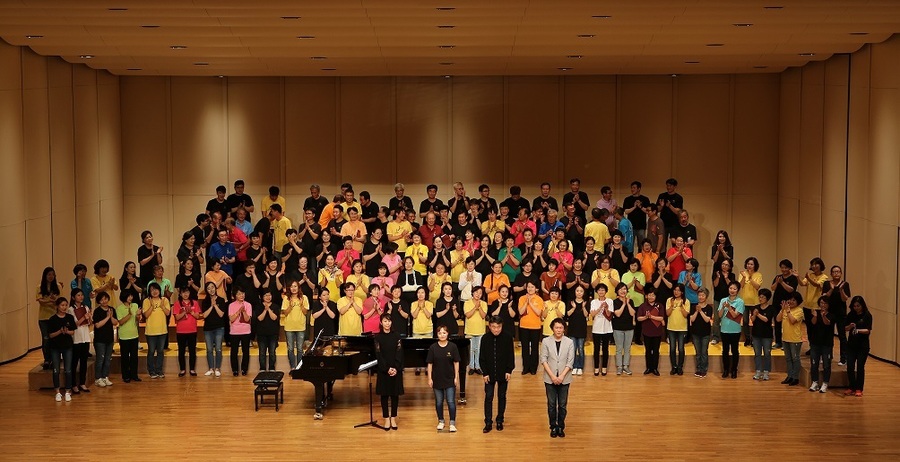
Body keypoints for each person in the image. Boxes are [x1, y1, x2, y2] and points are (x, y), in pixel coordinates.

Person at [478, 315, 515, 433]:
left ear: (501, 326)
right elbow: (482, 357)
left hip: (503, 372)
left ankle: (500, 420)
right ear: (489, 326)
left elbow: (511, 355)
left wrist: (509, 370)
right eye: (493, 327)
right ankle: (488, 422)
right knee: (489, 396)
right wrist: (485, 373)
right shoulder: (484, 338)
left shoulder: (508, 337)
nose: (496, 329)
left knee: (502, 396)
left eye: (498, 327)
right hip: (489, 374)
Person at [541, 318, 574, 438]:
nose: (559, 330)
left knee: (562, 404)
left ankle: (560, 426)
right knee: (551, 404)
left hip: (564, 378)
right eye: (556, 328)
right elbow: (543, 360)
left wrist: (561, 376)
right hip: (549, 378)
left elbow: (570, 362)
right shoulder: (546, 341)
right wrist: (552, 376)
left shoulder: (569, 342)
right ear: (552, 329)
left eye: (561, 328)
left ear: (564, 328)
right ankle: (553, 426)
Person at [427, 324, 461, 433]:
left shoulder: (452, 347)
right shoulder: (433, 348)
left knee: (451, 401)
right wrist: (429, 378)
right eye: (440, 333)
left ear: (448, 334)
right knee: (439, 402)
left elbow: (456, 362)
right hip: (437, 379)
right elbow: (430, 364)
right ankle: (441, 421)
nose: (442, 335)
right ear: (437, 334)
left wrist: (456, 377)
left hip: (449, 379)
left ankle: (452, 423)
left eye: (444, 333)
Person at [374, 314, 404, 430]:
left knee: (395, 395)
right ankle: (386, 418)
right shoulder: (378, 337)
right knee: (384, 395)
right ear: (381, 323)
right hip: (384, 370)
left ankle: (393, 418)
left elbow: (399, 352)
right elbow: (378, 355)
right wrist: (387, 369)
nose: (387, 323)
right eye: (385, 321)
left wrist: (395, 368)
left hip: (395, 369)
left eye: (389, 321)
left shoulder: (397, 336)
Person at [47, 297, 77, 402]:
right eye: (62, 305)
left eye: (66, 305)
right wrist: (60, 332)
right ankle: (57, 392)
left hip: (67, 346)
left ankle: (68, 391)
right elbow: (50, 335)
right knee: (56, 370)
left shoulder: (69, 317)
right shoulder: (52, 319)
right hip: (55, 347)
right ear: (57, 306)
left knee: (68, 370)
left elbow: (73, 331)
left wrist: (67, 332)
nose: (64, 307)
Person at [822, 265, 851, 365]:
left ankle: (844, 358)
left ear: (841, 273)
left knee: (842, 336)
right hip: (829, 312)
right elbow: (825, 297)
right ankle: (828, 356)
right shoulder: (827, 283)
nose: (836, 273)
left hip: (841, 313)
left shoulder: (845, 284)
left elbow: (845, 299)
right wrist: (831, 289)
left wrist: (841, 290)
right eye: (834, 272)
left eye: (838, 271)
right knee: (828, 335)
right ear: (831, 274)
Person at [36, 267, 64, 369]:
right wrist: (51, 301)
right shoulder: (40, 287)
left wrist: (50, 301)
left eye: (52, 274)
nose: (51, 276)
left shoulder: (58, 287)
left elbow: (60, 302)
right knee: (46, 338)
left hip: (55, 317)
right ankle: (47, 359)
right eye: (49, 274)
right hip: (43, 318)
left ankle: (55, 358)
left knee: (55, 338)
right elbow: (40, 301)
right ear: (45, 276)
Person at [844, 296, 872, 397]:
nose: (856, 308)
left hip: (862, 346)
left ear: (862, 305)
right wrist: (850, 327)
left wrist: (858, 330)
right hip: (851, 345)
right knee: (850, 366)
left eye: (858, 306)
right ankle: (852, 386)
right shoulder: (851, 314)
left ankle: (859, 388)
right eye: (854, 306)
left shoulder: (867, 315)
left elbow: (868, 330)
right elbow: (845, 328)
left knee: (860, 366)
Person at [142, 282, 170, 379]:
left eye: (156, 289)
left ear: (160, 290)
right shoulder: (146, 301)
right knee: (151, 351)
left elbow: (167, 313)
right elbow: (146, 315)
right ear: (149, 291)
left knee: (161, 351)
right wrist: (151, 306)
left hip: (162, 330)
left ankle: (159, 370)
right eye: (152, 290)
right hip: (151, 331)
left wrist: (162, 306)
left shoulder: (165, 300)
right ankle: (151, 371)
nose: (154, 291)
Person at [807, 296, 834, 393]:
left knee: (826, 364)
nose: (823, 305)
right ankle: (815, 382)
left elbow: (828, 323)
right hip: (815, 343)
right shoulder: (816, 313)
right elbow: (813, 323)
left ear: (828, 305)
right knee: (814, 363)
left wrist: (823, 316)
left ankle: (825, 383)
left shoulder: (831, 314)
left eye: (825, 303)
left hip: (826, 344)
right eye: (821, 303)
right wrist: (815, 316)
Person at [66, 289, 91, 395]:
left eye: (82, 295)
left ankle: (82, 382)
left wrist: (89, 318)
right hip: (76, 338)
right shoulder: (70, 309)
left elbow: (89, 323)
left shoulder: (85, 307)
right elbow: (74, 324)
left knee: (84, 361)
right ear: (73, 297)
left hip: (85, 336)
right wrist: (83, 317)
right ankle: (73, 385)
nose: (81, 297)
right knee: (75, 361)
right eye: (78, 295)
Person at [777, 292, 804, 386]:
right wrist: (782, 310)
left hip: (795, 339)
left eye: (794, 300)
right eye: (790, 299)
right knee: (788, 359)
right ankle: (789, 376)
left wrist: (788, 311)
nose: (791, 302)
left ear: (798, 302)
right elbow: (778, 319)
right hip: (785, 338)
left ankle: (795, 377)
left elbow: (792, 321)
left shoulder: (799, 311)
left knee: (795, 359)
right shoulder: (785, 310)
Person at [718, 281, 745, 379]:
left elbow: (734, 315)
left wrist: (729, 307)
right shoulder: (723, 300)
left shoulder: (740, 302)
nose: (732, 290)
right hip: (724, 329)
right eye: (730, 288)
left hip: (735, 330)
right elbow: (720, 315)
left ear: (738, 290)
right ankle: (725, 370)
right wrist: (722, 308)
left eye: (734, 289)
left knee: (734, 350)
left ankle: (734, 370)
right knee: (725, 351)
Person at [770, 259, 799, 349]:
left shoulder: (793, 278)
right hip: (776, 303)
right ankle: (778, 342)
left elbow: (791, 289)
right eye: (782, 267)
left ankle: (786, 342)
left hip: (788, 303)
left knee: (786, 322)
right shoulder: (778, 277)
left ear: (790, 268)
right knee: (777, 322)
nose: (784, 269)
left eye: (786, 268)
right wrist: (777, 282)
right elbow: (772, 288)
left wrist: (782, 283)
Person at [90, 293, 117, 388]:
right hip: (100, 340)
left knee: (108, 359)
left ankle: (105, 376)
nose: (104, 301)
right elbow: (97, 325)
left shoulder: (111, 309)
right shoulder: (97, 311)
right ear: (99, 302)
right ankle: (98, 378)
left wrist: (111, 316)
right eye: (102, 300)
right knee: (100, 360)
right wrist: (107, 317)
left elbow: (115, 322)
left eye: (105, 299)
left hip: (109, 338)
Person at [173, 287, 200, 377]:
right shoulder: (177, 304)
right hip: (181, 331)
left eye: (187, 292)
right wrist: (184, 312)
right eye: (183, 292)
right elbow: (176, 317)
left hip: (192, 330)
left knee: (192, 350)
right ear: (180, 294)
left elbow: (197, 316)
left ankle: (192, 369)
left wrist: (191, 312)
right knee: (181, 351)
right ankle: (182, 369)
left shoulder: (195, 303)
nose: (185, 294)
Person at [749, 289, 776, 381]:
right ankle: (758, 371)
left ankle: (766, 372)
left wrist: (758, 314)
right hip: (756, 334)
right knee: (757, 354)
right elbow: (752, 320)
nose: (761, 299)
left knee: (767, 354)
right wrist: (754, 315)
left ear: (767, 298)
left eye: (763, 297)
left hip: (767, 335)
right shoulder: (755, 307)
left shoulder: (771, 308)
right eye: (760, 297)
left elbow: (766, 319)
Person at [201, 281, 227, 377]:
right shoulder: (205, 301)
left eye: (212, 287)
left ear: (215, 288)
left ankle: (217, 368)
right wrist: (211, 305)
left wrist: (215, 305)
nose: (211, 290)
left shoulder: (221, 300)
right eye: (208, 288)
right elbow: (204, 315)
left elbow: (221, 314)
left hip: (219, 327)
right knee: (209, 349)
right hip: (208, 328)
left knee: (219, 349)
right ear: (206, 291)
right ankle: (211, 368)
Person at [518, 281, 544, 375]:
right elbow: (520, 312)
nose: (530, 289)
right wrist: (526, 302)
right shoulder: (522, 298)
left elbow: (538, 313)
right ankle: (525, 367)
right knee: (525, 348)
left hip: (535, 326)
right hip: (524, 326)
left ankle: (533, 368)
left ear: (536, 289)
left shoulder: (539, 299)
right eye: (528, 287)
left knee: (534, 348)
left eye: (532, 287)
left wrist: (531, 303)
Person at [636, 289, 665, 376]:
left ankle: (655, 368)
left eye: (653, 295)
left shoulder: (659, 305)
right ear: (646, 296)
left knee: (656, 351)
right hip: (646, 332)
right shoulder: (643, 306)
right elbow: (638, 318)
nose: (651, 297)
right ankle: (648, 368)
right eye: (649, 295)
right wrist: (645, 317)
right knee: (648, 350)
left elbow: (661, 318)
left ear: (656, 297)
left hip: (657, 332)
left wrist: (651, 316)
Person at [282, 281, 309, 369]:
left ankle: (299, 367)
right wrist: (290, 306)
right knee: (290, 349)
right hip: (289, 327)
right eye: (292, 286)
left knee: (300, 349)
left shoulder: (304, 297)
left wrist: (301, 305)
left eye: (295, 286)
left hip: (300, 326)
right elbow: (285, 313)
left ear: (298, 287)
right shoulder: (286, 298)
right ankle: (293, 367)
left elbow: (305, 313)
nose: (293, 288)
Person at [115, 292, 141, 383]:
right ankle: (125, 376)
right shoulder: (119, 308)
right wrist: (130, 314)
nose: (130, 297)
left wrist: (138, 315)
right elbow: (121, 322)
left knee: (134, 357)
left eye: (131, 295)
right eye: (128, 296)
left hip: (134, 334)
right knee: (125, 357)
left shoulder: (135, 305)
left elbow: (137, 320)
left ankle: (134, 375)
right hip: (124, 336)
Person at [612, 282, 636, 375]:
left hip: (629, 328)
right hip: (618, 328)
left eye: (625, 289)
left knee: (627, 348)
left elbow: (632, 313)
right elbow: (617, 314)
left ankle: (626, 366)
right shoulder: (614, 302)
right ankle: (619, 367)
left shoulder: (631, 301)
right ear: (617, 291)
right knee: (619, 348)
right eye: (621, 289)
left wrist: (628, 304)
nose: (623, 291)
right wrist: (623, 304)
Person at [589, 283, 613, 376]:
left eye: (603, 290)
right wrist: (600, 307)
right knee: (596, 349)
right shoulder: (593, 302)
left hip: (607, 328)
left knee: (605, 349)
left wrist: (606, 308)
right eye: (599, 290)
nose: (601, 291)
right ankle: (596, 368)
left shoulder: (610, 301)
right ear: (597, 292)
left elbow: (610, 315)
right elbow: (593, 314)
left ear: (606, 291)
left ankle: (604, 368)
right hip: (596, 328)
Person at [689, 288, 714, 378]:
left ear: (706, 296)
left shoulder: (709, 308)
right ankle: (698, 369)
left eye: (703, 295)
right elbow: (692, 319)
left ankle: (704, 370)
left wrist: (700, 311)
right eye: (699, 295)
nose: (701, 297)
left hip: (705, 334)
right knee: (698, 352)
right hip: (695, 333)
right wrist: (696, 311)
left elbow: (707, 320)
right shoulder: (693, 307)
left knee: (704, 352)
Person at [738, 256, 763, 347]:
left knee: (755, 321)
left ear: (755, 265)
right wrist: (744, 277)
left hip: (755, 302)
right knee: (745, 321)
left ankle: (754, 339)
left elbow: (757, 286)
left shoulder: (758, 275)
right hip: (743, 301)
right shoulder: (742, 273)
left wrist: (751, 278)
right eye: (748, 264)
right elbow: (740, 286)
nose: (749, 266)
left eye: (751, 264)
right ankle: (748, 338)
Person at [666, 284, 690, 376]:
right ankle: (674, 367)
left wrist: (681, 306)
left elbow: (685, 315)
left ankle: (680, 367)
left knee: (681, 348)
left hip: (682, 328)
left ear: (682, 292)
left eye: (678, 290)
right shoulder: (669, 300)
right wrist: (672, 306)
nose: (676, 292)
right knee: (672, 349)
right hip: (671, 328)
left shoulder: (686, 301)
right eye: (675, 290)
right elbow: (667, 313)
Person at [228, 288, 253, 376]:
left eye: (242, 293)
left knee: (245, 351)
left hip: (246, 331)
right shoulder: (231, 305)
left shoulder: (248, 305)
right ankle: (235, 370)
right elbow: (231, 319)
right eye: (239, 294)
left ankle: (244, 369)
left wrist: (244, 311)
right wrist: (239, 311)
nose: (241, 295)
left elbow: (247, 319)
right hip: (234, 332)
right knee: (234, 351)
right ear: (235, 295)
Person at [464, 286, 488, 375]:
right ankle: (471, 366)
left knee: (478, 349)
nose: (478, 294)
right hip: (470, 330)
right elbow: (468, 315)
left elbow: (483, 316)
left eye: (480, 293)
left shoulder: (484, 303)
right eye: (476, 292)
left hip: (480, 330)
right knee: (471, 349)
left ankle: (478, 366)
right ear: (472, 293)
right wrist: (475, 307)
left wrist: (479, 307)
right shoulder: (467, 303)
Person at [566, 285, 589, 376]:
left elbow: (586, 315)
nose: (579, 293)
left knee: (580, 349)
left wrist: (583, 307)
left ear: (584, 293)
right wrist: (574, 307)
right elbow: (568, 314)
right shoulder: (570, 302)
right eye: (577, 291)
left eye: (581, 291)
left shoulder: (586, 302)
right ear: (575, 292)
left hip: (582, 329)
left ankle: (580, 367)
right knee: (573, 349)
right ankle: (574, 366)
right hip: (572, 329)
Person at [622, 181, 651, 246]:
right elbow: (626, 211)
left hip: (641, 226)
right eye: (631, 188)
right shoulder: (627, 199)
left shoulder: (645, 199)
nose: (632, 189)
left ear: (639, 189)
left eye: (634, 188)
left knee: (642, 244)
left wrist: (640, 207)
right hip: (631, 226)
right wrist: (634, 207)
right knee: (630, 244)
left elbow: (647, 211)